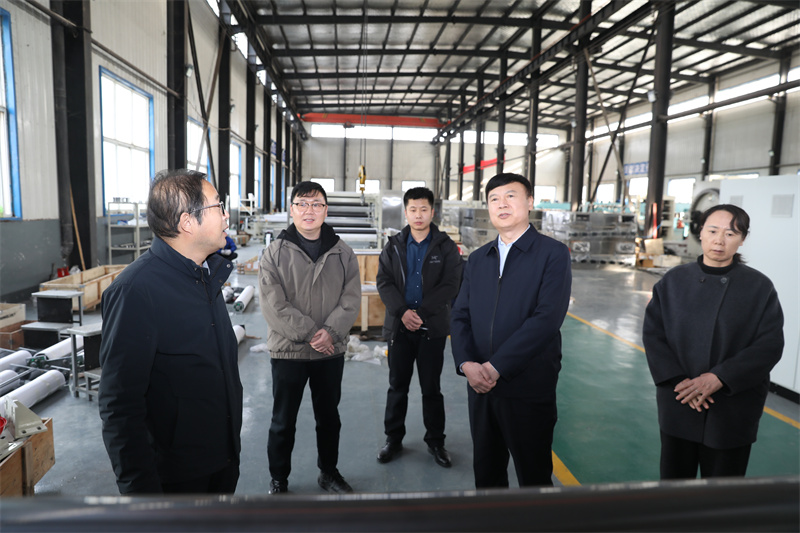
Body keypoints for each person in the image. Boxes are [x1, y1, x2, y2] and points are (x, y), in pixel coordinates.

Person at [98, 169, 243, 494]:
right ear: (187, 222)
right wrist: (142, 495)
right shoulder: (136, 291)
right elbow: (120, 405)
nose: (226, 216)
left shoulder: (206, 273)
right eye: (218, 206)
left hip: (222, 458)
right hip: (176, 478)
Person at [643, 204, 784, 479]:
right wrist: (680, 382)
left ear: (742, 239)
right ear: (701, 233)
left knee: (723, 490)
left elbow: (769, 345)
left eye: (730, 233)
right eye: (713, 231)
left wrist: (720, 377)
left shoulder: (759, 287)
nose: (720, 240)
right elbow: (654, 334)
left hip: (731, 405)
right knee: (674, 485)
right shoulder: (673, 281)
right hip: (680, 398)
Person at [450, 173, 572, 488]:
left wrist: (496, 367)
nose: (501, 204)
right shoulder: (478, 259)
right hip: (480, 387)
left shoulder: (552, 254)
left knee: (533, 476)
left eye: (510, 196)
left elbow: (547, 319)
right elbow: (460, 314)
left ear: (530, 202)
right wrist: (466, 364)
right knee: (487, 474)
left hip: (527, 386)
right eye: (494, 199)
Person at [259, 181, 361, 494]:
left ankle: (328, 473)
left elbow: (351, 299)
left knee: (329, 418)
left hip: (329, 352)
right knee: (282, 421)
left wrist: (330, 332)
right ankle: (279, 478)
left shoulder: (343, 253)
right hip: (288, 351)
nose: (309, 210)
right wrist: (311, 333)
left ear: (325, 210)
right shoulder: (274, 253)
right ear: (291, 210)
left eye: (316, 204)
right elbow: (273, 304)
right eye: (302, 204)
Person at [375, 187, 462, 467]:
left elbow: (451, 284)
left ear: (432, 212)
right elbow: (384, 281)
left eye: (424, 209)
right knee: (397, 387)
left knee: (431, 388)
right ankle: (393, 439)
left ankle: (436, 442)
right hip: (399, 328)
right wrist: (402, 312)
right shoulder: (393, 245)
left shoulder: (445, 247)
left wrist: (421, 313)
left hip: (431, 329)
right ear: (406, 212)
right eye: (413, 209)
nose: (418, 215)